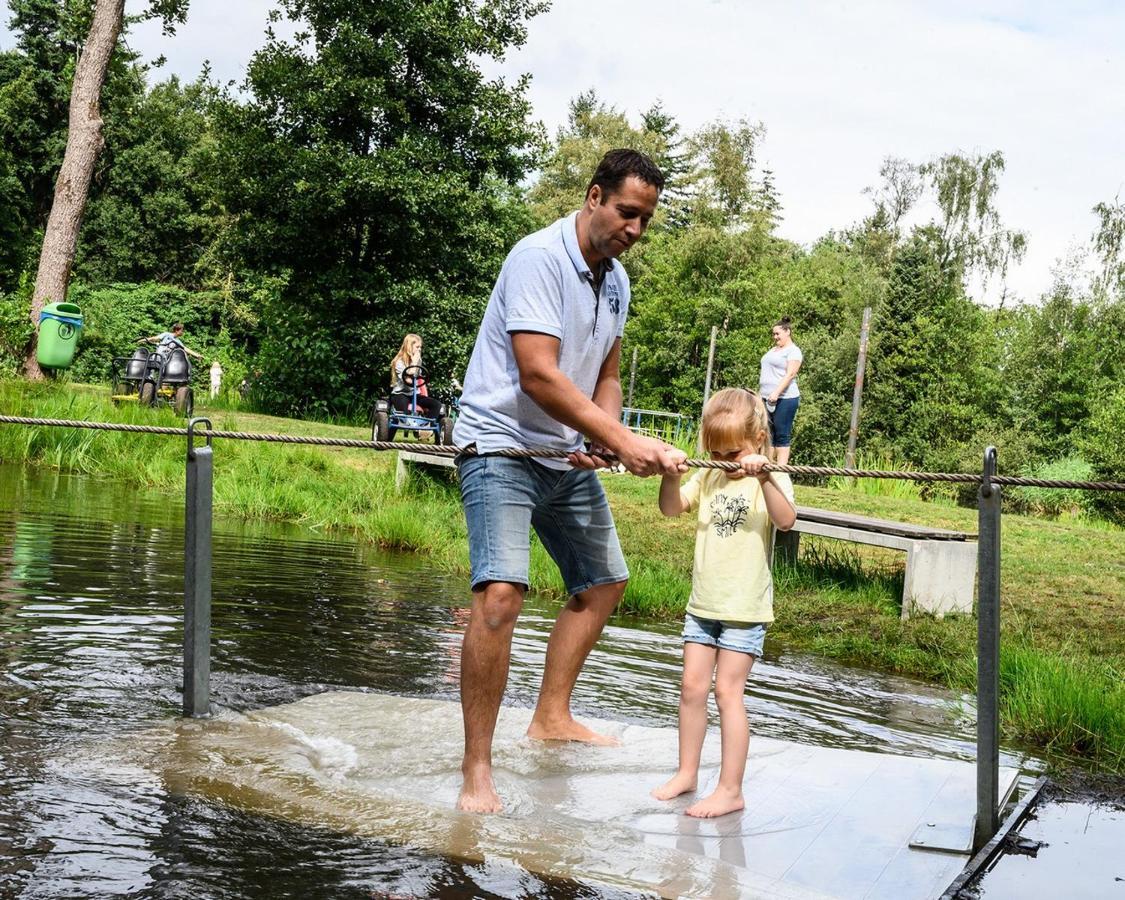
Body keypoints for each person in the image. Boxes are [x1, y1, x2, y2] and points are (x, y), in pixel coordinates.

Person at [452, 149, 688, 813]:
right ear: (593, 197)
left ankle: (551, 715)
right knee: (499, 594)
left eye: (645, 219)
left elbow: (605, 374)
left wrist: (599, 434)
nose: (635, 230)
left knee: (604, 581)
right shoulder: (537, 257)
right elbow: (538, 374)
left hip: (561, 453)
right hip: (497, 445)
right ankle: (476, 770)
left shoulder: (615, 281)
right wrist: (622, 440)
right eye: (626, 213)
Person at [652, 387, 796, 818]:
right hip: (703, 605)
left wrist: (764, 475)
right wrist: (672, 475)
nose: (723, 461)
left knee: (727, 692)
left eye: (732, 453)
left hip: (744, 609)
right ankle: (687, 773)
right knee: (691, 689)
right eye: (715, 452)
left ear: (756, 440)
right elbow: (670, 509)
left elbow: (786, 521)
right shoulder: (711, 475)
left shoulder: (769, 476)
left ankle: (730, 789)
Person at [759, 316, 803, 466]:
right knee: (768, 434)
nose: (775, 337)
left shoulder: (794, 351)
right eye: (774, 334)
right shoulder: (773, 350)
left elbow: (791, 374)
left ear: (787, 332)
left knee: (781, 434)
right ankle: (767, 467)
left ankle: (781, 470)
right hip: (766, 398)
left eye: (778, 334)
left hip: (785, 398)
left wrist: (776, 393)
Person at [389, 333, 443, 420]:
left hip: (414, 394)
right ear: (409, 347)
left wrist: (416, 361)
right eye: (417, 347)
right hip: (401, 394)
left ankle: (426, 427)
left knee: (436, 404)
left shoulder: (418, 361)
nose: (419, 350)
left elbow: (418, 378)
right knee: (404, 415)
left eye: (420, 347)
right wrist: (414, 361)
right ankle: (389, 432)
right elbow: (409, 381)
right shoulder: (399, 362)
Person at [137, 323, 204, 362]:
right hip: (158, 355)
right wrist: (143, 340)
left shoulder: (178, 341)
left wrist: (197, 355)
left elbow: (185, 349)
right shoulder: (166, 334)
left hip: (166, 359)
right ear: (177, 331)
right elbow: (154, 338)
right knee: (151, 361)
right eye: (182, 331)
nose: (182, 332)